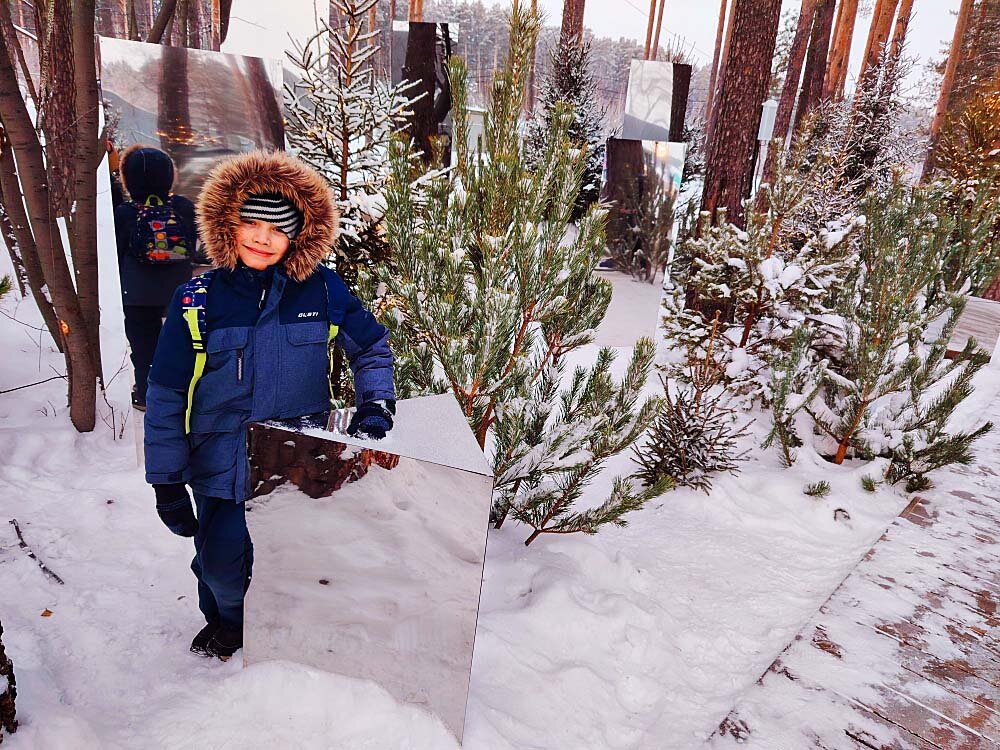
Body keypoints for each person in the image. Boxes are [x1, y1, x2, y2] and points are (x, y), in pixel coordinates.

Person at [143, 150, 396, 660]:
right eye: (252, 222)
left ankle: (281, 630)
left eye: (277, 228)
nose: (262, 237)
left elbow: (370, 346)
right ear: (228, 223)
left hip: (294, 460)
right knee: (219, 565)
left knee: (292, 559)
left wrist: (376, 406)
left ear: (298, 235)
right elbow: (167, 393)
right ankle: (229, 621)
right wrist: (166, 480)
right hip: (219, 459)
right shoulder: (200, 296)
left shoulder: (321, 289)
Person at [114, 145, 200, 410]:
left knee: (144, 349)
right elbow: (198, 244)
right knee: (183, 344)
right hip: (179, 289)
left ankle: (146, 395)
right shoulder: (183, 207)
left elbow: (117, 252)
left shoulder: (124, 213)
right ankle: (184, 391)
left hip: (137, 294)